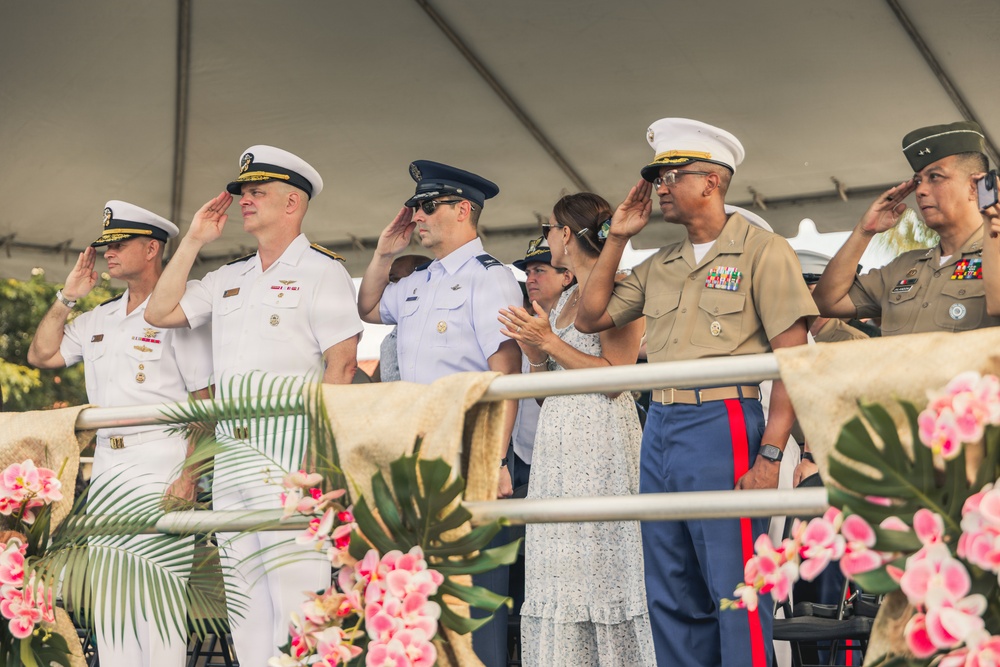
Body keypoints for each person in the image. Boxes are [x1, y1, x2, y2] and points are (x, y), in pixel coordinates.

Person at [575, 118, 817, 667]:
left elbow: (794, 360)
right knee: (670, 586)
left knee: (735, 587)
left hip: (724, 420)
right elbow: (590, 316)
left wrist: (771, 456)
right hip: (659, 424)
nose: (659, 185)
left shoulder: (763, 250)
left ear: (711, 181)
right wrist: (617, 237)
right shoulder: (660, 264)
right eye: (657, 176)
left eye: (671, 174)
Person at [144, 146, 364, 666]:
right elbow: (159, 311)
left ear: (293, 203)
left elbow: (344, 364)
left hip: (291, 462)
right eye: (243, 191)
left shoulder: (322, 270)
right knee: (245, 617)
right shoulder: (229, 277)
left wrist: (322, 461)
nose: (243, 199)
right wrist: (194, 238)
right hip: (233, 463)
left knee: (298, 613)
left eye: (256, 192)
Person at [27, 201, 213, 667]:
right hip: (108, 467)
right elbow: (42, 355)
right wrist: (68, 296)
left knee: (158, 604)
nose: (107, 253)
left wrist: (190, 476)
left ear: (152, 249)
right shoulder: (101, 318)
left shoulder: (178, 313)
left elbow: (205, 402)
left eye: (119, 244)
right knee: (112, 605)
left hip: (162, 464)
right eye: (106, 245)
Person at [356, 160, 521, 667]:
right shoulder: (417, 281)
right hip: (414, 458)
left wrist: (493, 459)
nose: (417, 216)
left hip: (467, 450)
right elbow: (366, 308)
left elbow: (507, 374)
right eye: (415, 205)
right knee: (418, 603)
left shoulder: (488, 278)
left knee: (472, 607)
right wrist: (386, 251)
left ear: (463, 210)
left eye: (428, 205)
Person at [500, 193, 654, 666]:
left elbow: (615, 378)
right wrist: (536, 353)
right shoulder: (565, 297)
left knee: (602, 561)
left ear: (566, 234)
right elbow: (549, 390)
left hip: (602, 437)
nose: (547, 238)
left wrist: (548, 341)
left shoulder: (622, 288)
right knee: (559, 564)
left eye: (549, 228)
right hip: (559, 438)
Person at [813, 120, 1000, 334]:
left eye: (935, 177)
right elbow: (826, 302)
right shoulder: (904, 266)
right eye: (918, 181)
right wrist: (864, 232)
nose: (921, 191)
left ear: (975, 186)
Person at [509, 236, 574, 491]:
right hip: (519, 453)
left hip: (567, 450)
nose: (530, 278)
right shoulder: (522, 323)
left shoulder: (581, 324)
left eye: (539, 270)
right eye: (527, 272)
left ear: (566, 276)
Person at [372, 254, 430, 383]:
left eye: (395, 280)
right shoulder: (397, 332)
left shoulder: (434, 328)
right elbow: (377, 381)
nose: (389, 288)